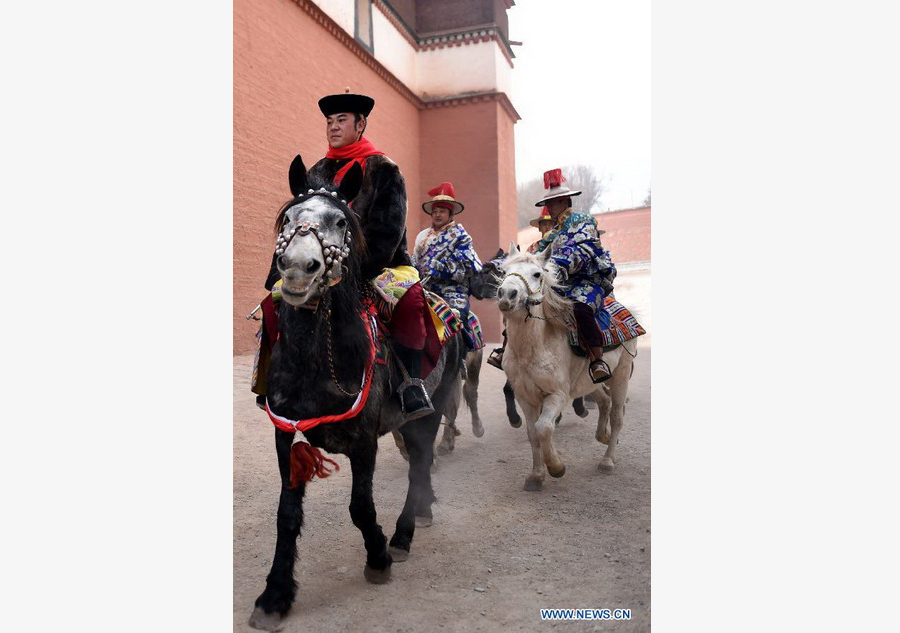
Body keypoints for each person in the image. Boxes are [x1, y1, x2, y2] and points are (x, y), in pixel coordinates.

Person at [256, 90, 434, 419]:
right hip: (322, 266)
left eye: (341, 120)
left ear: (361, 124)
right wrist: (277, 275)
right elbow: (295, 226)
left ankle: (411, 381)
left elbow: (388, 232)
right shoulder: (317, 171)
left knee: (409, 303)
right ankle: (269, 378)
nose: (333, 127)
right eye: (329, 121)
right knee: (273, 304)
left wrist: (348, 273)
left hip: (381, 265)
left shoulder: (384, 169)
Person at [488, 168, 616, 383]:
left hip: (586, 281)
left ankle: (597, 360)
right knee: (519, 302)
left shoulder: (584, 222)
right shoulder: (553, 234)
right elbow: (532, 256)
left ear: (565, 201)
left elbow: (584, 250)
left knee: (580, 309)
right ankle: (506, 352)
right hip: (560, 284)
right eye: (548, 203)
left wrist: (557, 265)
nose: (550, 207)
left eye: (554, 202)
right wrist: (505, 265)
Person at [411, 182, 483, 351]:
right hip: (425, 288)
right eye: (434, 211)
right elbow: (415, 259)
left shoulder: (461, 237)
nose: (437, 215)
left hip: (452, 291)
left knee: (456, 317)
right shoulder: (423, 236)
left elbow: (467, 270)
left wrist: (440, 269)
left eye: (442, 211)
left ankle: (463, 354)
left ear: (451, 214)